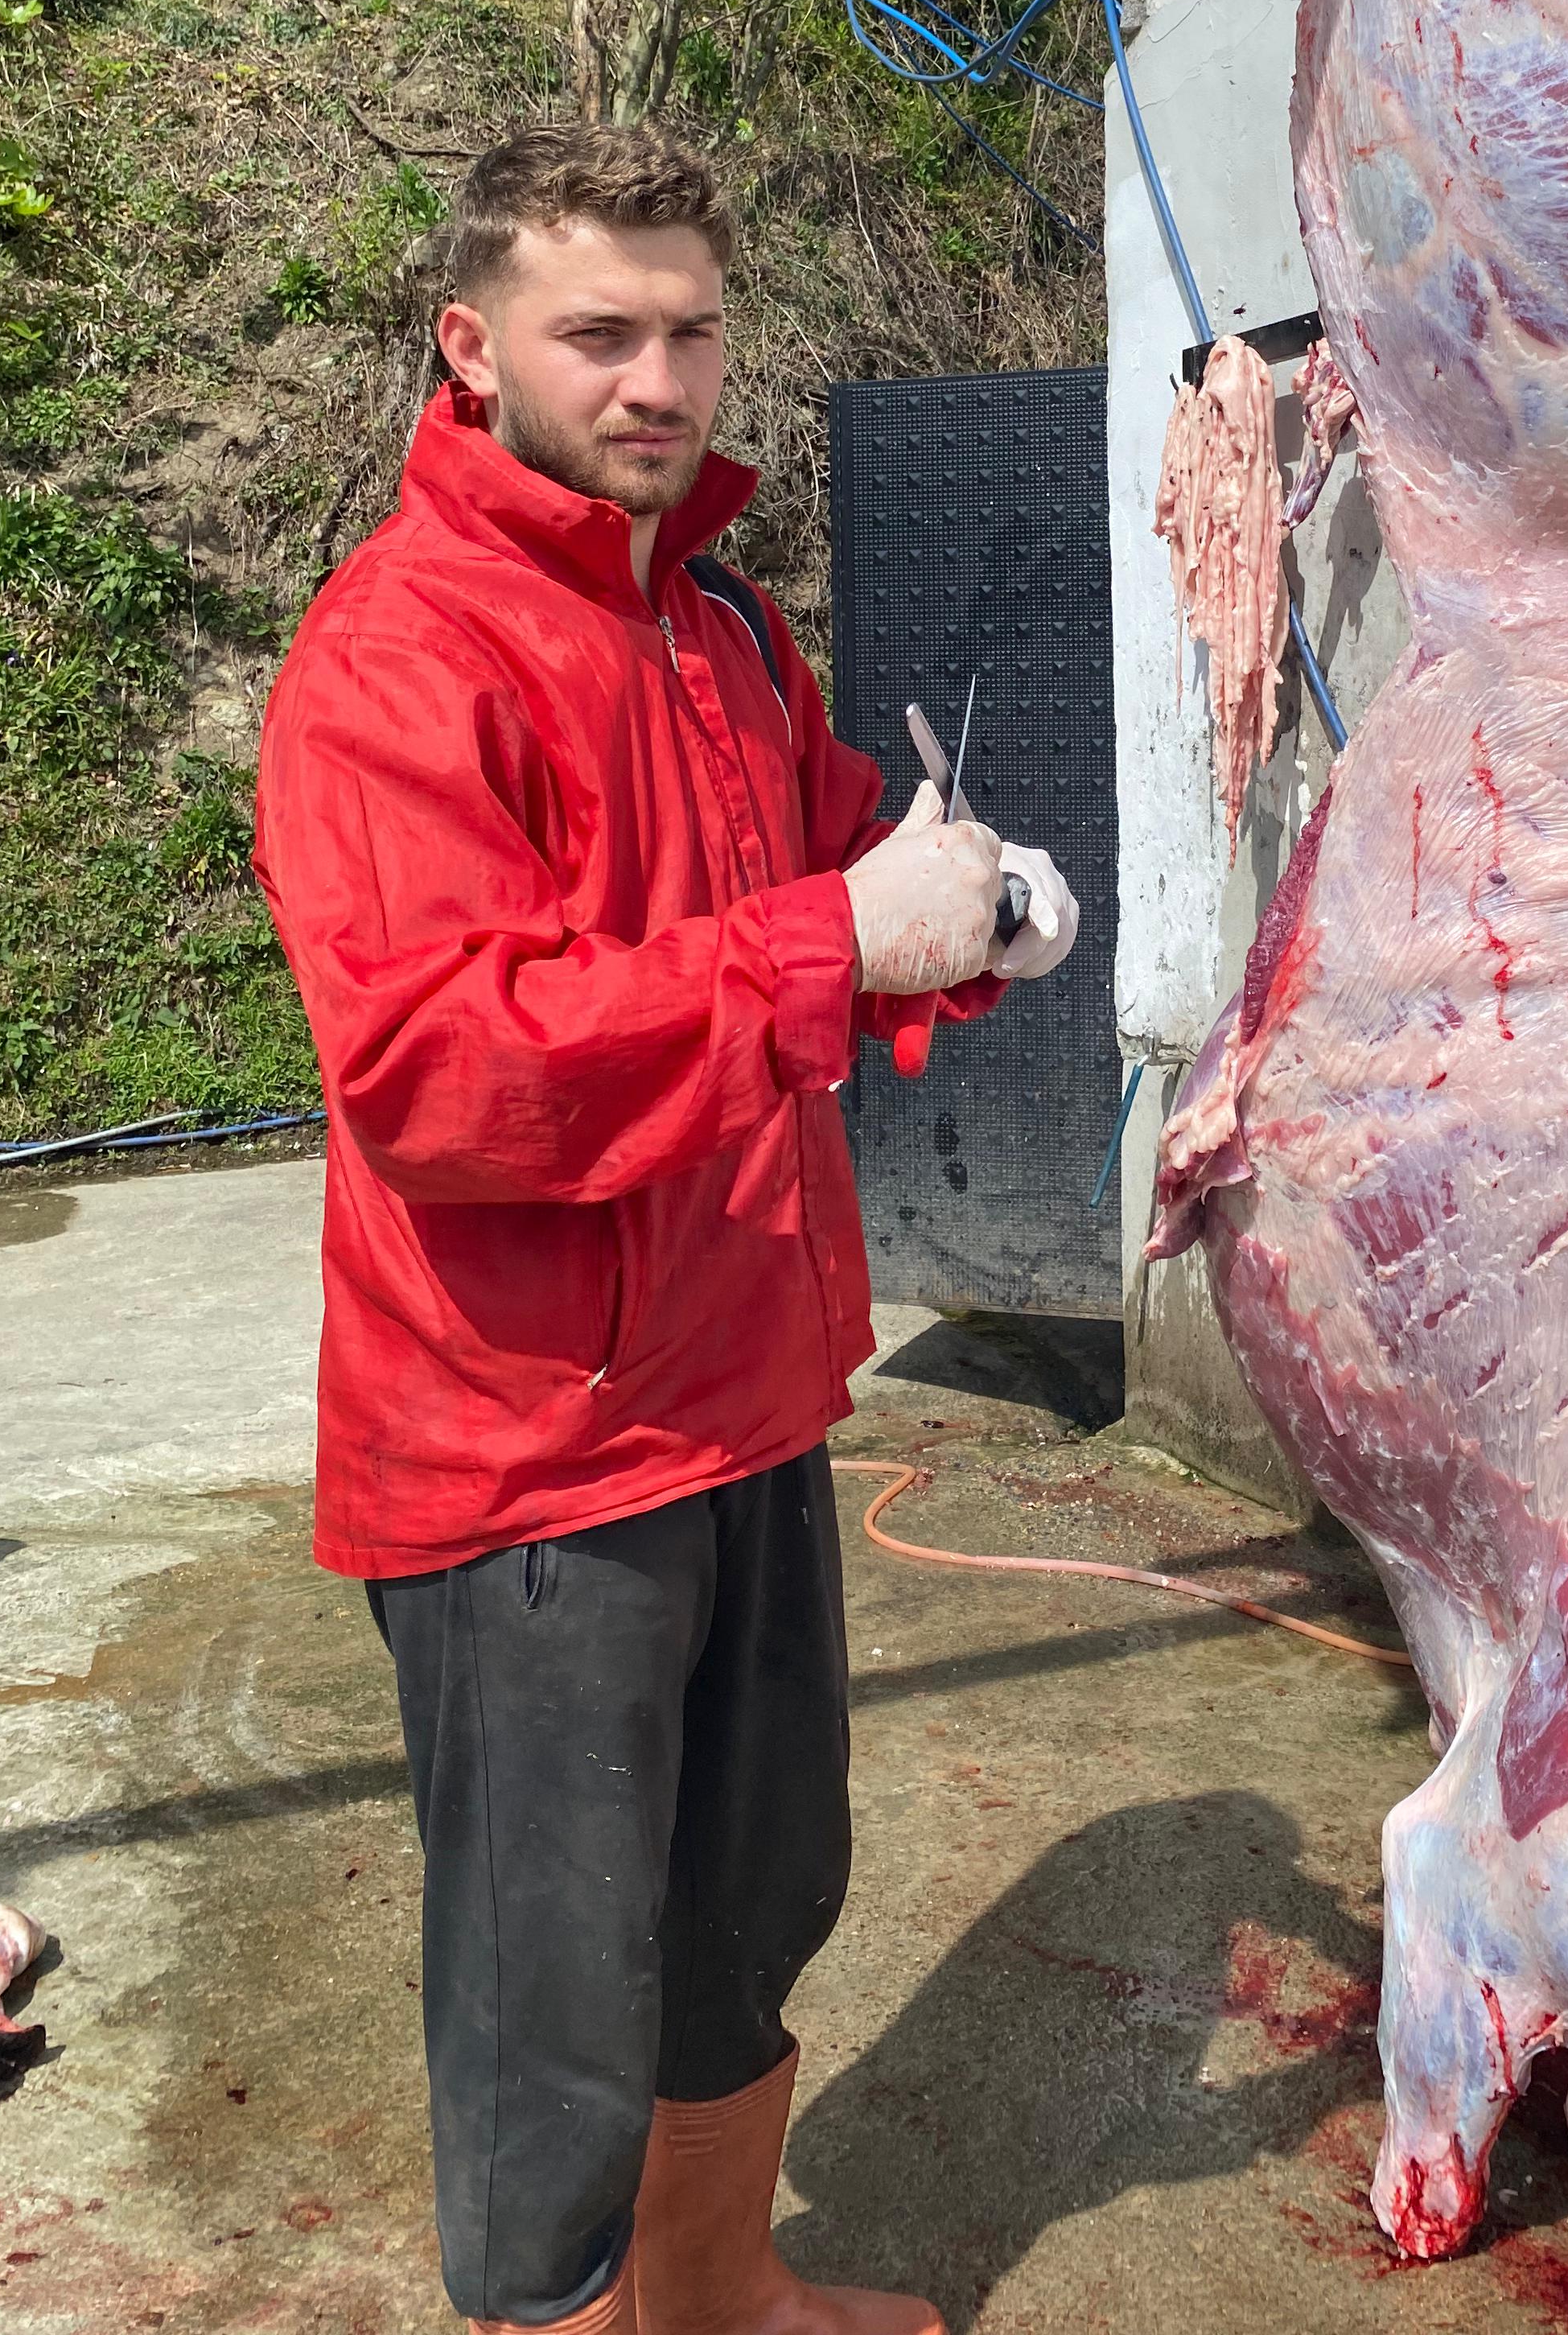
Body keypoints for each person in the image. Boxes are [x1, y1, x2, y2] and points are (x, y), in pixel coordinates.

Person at [253, 119, 1077, 2335]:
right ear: (469, 346)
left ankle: (721, 2312)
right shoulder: (398, 660)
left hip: (743, 1399)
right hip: (528, 1461)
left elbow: (831, 863)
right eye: (595, 332)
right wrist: (836, 945)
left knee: (746, 1914)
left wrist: (966, 910)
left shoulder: (714, 628)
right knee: (559, 2021)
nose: (655, 380)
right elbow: (440, 1075)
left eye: (691, 331)